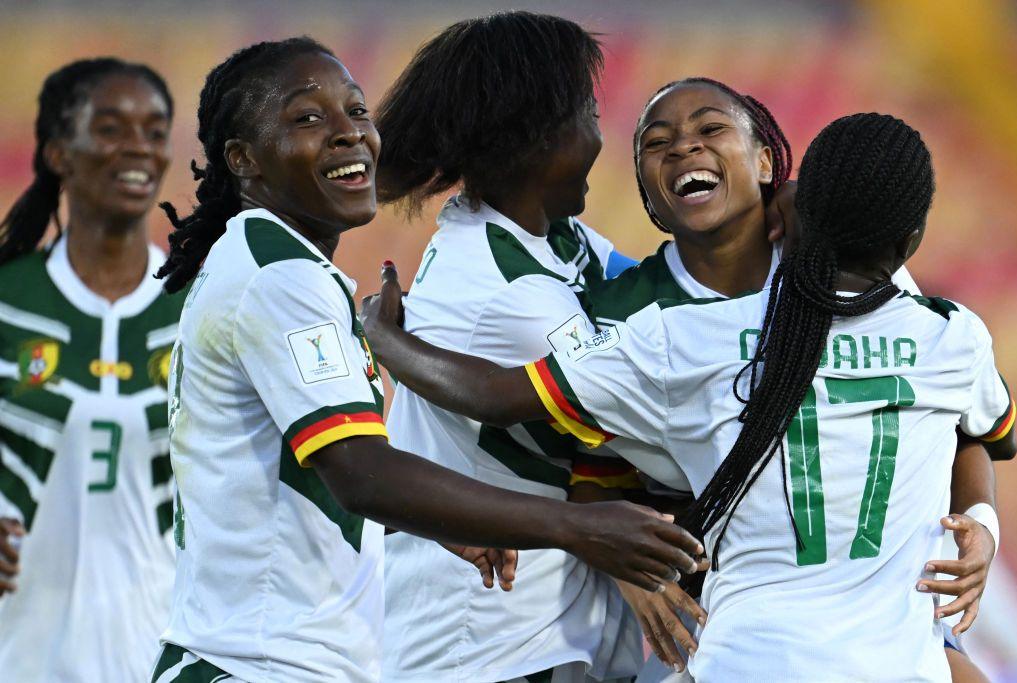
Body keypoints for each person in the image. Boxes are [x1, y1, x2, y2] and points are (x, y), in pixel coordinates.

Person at [363, 112, 1016, 681]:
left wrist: (383, 337)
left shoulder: (688, 338)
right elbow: (985, 431)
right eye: (659, 136)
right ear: (909, 243)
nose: (684, 149)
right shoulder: (950, 335)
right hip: (897, 663)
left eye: (711, 128)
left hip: (745, 659)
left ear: (789, 196)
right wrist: (982, 525)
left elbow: (494, 394)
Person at [149, 37, 699, 683]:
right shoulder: (279, 276)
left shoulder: (282, 266)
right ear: (243, 159)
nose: (348, 134)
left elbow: (317, 473)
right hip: (257, 661)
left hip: (285, 657)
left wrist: (441, 521)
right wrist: (578, 528)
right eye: (308, 118)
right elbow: (360, 471)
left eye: (356, 111)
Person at [373, 12, 645, 682]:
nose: (599, 134)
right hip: (485, 640)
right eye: (586, 111)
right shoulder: (504, 291)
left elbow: (663, 301)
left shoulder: (549, 241)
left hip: (546, 629)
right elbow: (648, 418)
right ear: (534, 139)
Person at [0, 58, 183, 682]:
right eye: (110, 128)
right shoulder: (8, 301)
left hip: (168, 656)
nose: (137, 147)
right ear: (58, 152)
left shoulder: (202, 308)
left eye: (155, 132)